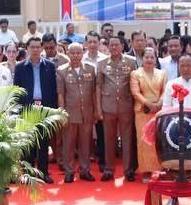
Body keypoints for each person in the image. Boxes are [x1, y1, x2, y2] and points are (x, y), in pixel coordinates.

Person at [13, 36, 58, 182]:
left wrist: (53, 112)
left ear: (42, 48)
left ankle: (43, 173)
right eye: (32, 47)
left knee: (43, 143)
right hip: (27, 109)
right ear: (27, 48)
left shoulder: (50, 66)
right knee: (28, 144)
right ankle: (28, 174)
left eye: (38, 47)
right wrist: (18, 112)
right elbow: (16, 91)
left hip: (44, 108)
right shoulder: (20, 67)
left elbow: (54, 90)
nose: (35, 50)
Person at [55, 41, 98, 182]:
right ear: (68, 53)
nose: (75, 55)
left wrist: (96, 111)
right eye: (72, 53)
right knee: (68, 144)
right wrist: (62, 114)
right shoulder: (61, 71)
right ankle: (69, 171)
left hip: (87, 112)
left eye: (78, 53)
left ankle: (85, 170)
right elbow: (61, 94)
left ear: (83, 53)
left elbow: (94, 92)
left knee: (86, 144)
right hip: (70, 114)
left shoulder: (90, 69)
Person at [98, 35, 137, 181]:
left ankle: (128, 170)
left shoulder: (131, 61)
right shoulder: (102, 63)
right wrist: (98, 109)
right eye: (111, 45)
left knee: (127, 140)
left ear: (122, 46)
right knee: (109, 140)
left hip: (126, 106)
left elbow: (135, 83)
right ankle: (109, 170)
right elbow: (98, 86)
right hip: (108, 106)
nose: (113, 47)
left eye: (116, 44)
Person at [127, 46, 165, 178]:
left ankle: (158, 169)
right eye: (146, 57)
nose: (149, 59)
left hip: (158, 111)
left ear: (156, 58)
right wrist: (148, 104)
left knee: (157, 140)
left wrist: (158, 104)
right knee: (143, 141)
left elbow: (165, 91)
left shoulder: (162, 73)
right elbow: (135, 92)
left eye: (152, 57)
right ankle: (146, 170)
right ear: (142, 58)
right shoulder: (135, 73)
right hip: (142, 111)